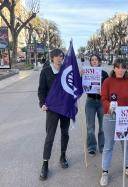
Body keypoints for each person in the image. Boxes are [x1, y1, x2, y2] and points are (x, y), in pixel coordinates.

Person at [100, 58, 128, 186]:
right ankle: (105, 172)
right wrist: (109, 105)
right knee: (109, 145)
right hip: (110, 117)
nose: (120, 70)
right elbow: (103, 98)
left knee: (125, 144)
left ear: (126, 69)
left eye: (123, 67)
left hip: (125, 117)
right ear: (114, 68)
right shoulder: (107, 81)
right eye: (118, 67)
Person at [38, 49, 68, 181]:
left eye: (61, 56)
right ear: (52, 58)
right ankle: (45, 163)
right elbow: (41, 90)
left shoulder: (66, 70)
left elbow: (72, 85)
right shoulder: (46, 71)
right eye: (57, 56)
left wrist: (81, 75)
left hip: (65, 107)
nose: (60, 58)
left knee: (65, 133)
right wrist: (42, 103)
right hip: (52, 108)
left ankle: (63, 156)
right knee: (50, 136)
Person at [83, 54, 108, 156]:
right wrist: (80, 74)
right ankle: (91, 147)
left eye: (96, 60)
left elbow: (108, 88)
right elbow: (80, 85)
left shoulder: (104, 74)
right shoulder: (86, 73)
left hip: (101, 102)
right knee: (90, 127)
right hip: (90, 102)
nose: (94, 61)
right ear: (90, 62)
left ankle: (102, 146)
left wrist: (103, 91)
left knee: (103, 127)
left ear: (99, 62)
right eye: (92, 60)